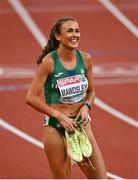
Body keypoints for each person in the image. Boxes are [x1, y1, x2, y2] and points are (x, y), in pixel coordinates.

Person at [26, 16, 107, 179]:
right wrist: (59, 116)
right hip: (56, 129)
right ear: (58, 36)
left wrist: (86, 107)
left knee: (100, 178)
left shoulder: (85, 59)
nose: (74, 34)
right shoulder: (49, 62)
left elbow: (91, 92)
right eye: (69, 31)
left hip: (82, 127)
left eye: (77, 31)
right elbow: (31, 97)